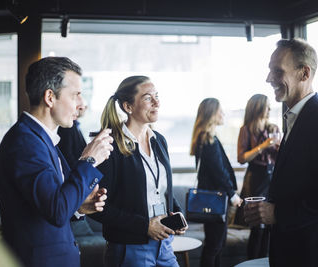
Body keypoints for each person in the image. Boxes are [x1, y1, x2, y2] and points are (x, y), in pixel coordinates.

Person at [0, 57, 114, 267]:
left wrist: (78, 207)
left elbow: (53, 204)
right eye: (76, 94)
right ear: (50, 97)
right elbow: (57, 210)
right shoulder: (25, 143)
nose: (81, 104)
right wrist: (89, 159)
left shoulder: (41, 139)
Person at [244, 38, 318, 267]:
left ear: (304, 74)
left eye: (277, 71)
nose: (268, 78)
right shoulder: (296, 119)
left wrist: (278, 213)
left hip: (317, 254)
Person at [89, 76, 187, 267]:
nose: (157, 102)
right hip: (130, 247)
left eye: (157, 96)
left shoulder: (159, 140)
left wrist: (177, 214)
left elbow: (162, 191)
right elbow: (95, 207)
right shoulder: (110, 145)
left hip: (164, 244)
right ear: (128, 107)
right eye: (148, 98)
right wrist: (145, 227)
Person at [189, 98, 242, 267]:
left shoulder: (206, 137)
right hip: (216, 199)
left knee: (216, 245)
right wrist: (233, 195)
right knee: (214, 246)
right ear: (212, 113)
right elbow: (219, 172)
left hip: (215, 198)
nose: (223, 113)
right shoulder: (207, 139)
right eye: (220, 110)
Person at [235, 94, 279, 259]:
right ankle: (253, 262)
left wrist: (280, 148)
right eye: (266, 106)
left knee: (270, 226)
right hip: (256, 178)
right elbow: (241, 158)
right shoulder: (245, 129)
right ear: (258, 107)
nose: (269, 109)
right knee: (257, 225)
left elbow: (278, 158)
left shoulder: (273, 128)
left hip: (272, 175)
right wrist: (263, 146)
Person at [58, 98, 88, 167]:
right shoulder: (68, 126)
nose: (84, 109)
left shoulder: (76, 126)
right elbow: (67, 153)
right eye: (83, 107)